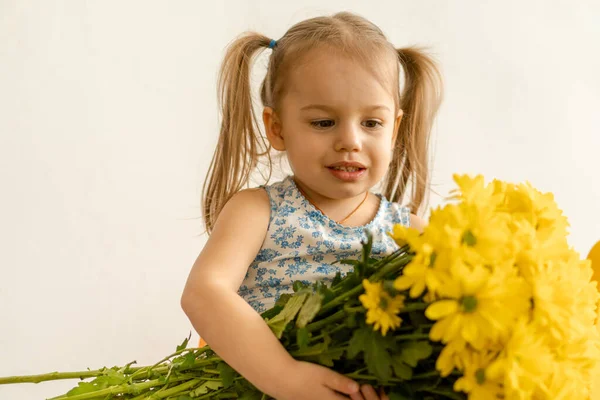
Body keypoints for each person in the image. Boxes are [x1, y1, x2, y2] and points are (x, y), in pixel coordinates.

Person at [181, 11, 443, 400]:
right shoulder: (259, 212)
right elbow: (204, 293)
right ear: (277, 127)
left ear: (396, 129)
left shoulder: (414, 235)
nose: (350, 140)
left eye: (372, 123)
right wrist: (285, 378)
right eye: (323, 122)